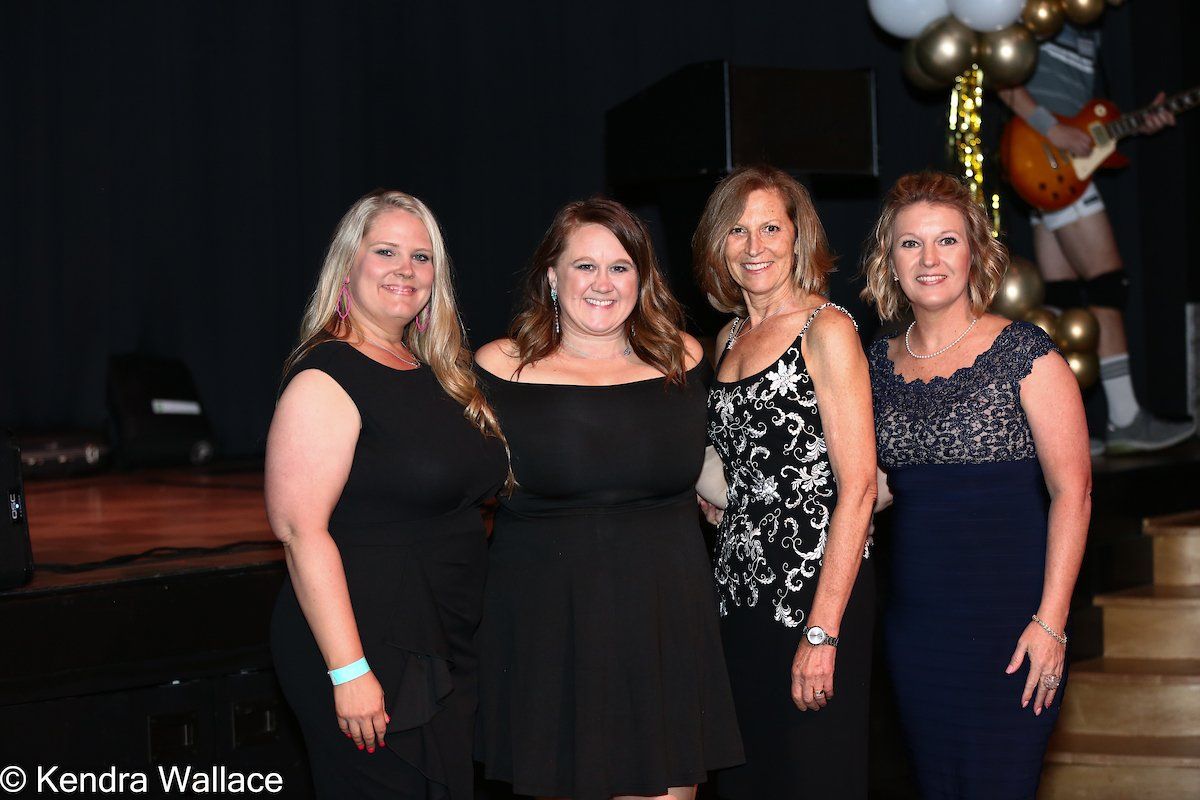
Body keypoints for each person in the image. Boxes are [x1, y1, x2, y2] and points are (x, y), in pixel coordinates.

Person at [473, 198, 743, 800]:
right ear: (551, 275)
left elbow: (728, 462)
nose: (602, 283)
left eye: (620, 267)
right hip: (548, 627)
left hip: (664, 619)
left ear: (642, 279)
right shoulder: (498, 369)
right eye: (584, 266)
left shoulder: (686, 358)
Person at [266, 190, 508, 799]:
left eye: (422, 257)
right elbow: (300, 533)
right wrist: (348, 671)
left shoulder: (434, 372)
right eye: (387, 251)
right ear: (349, 265)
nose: (406, 269)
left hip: (443, 633)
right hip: (367, 642)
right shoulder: (327, 374)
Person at [861, 171, 1092, 798]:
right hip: (918, 633)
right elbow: (870, 490)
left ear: (976, 253)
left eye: (947, 241)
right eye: (910, 244)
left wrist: (1051, 622)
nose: (929, 260)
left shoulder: (1026, 353)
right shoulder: (874, 365)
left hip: (1014, 630)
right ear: (890, 259)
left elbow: (1074, 492)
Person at [695, 165, 877, 799]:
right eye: (738, 230)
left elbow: (857, 488)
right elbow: (743, 460)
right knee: (749, 777)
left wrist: (822, 631)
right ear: (718, 244)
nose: (755, 246)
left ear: (798, 237)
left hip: (814, 593)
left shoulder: (826, 329)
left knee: (812, 776)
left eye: (771, 227)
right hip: (737, 594)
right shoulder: (728, 337)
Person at [998, 22, 1193, 454]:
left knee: (1062, 301)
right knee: (1107, 283)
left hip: (1059, 170)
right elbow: (1002, 76)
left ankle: (1060, 433)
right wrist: (1051, 130)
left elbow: (1086, 120)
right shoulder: (1045, 15)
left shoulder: (1090, 27)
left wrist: (1137, 124)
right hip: (1048, 160)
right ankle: (1124, 416)